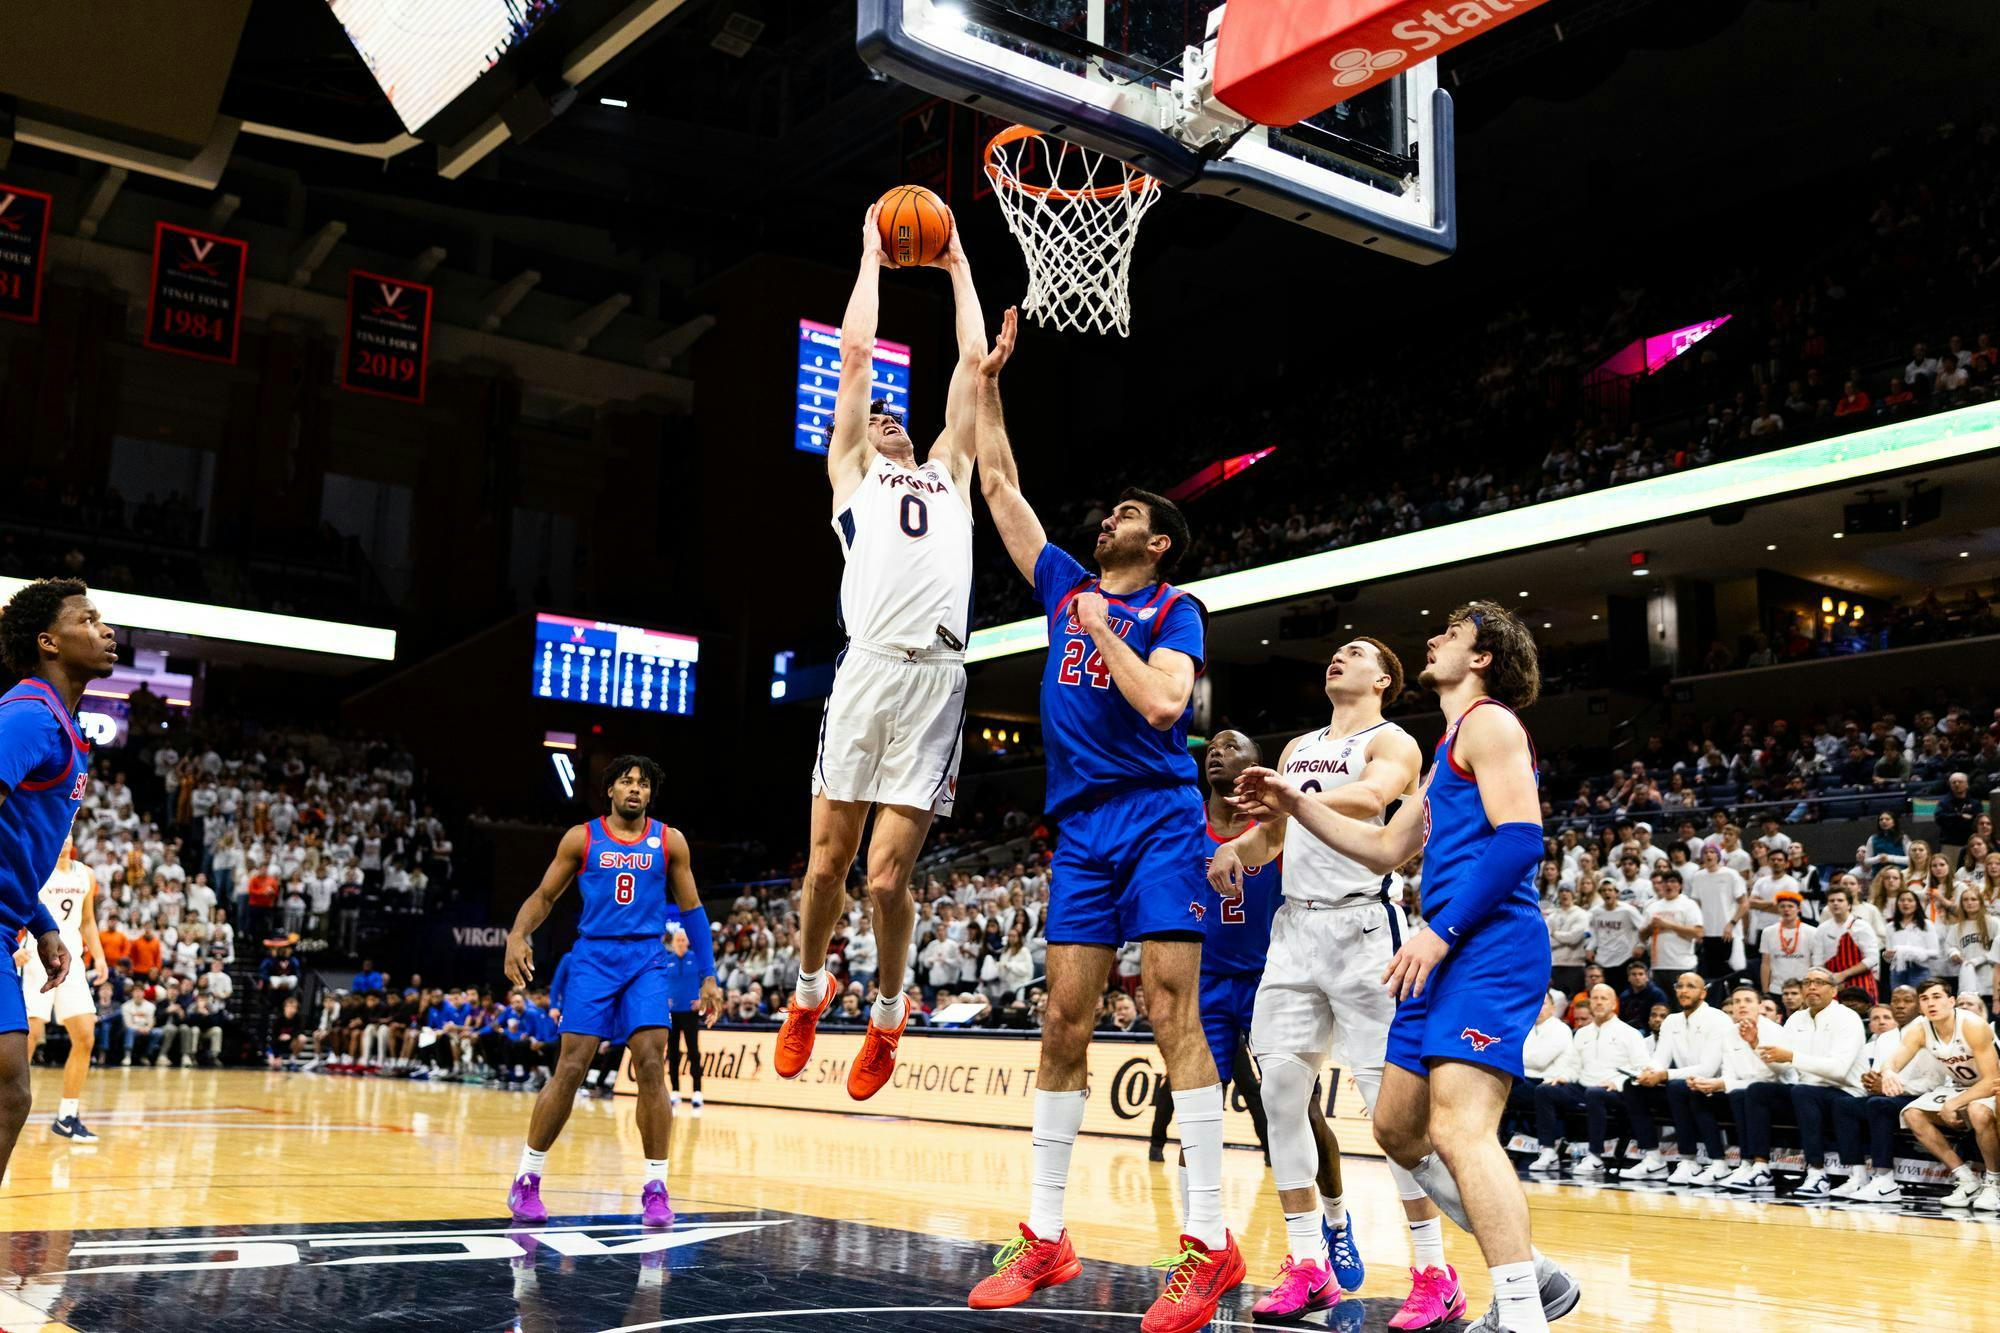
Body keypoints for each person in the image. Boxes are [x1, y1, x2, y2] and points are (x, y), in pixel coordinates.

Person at [965, 308, 1242, 1333]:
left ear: (1155, 540)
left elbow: (1166, 707)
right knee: (1059, 1022)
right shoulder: (1062, 585)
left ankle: (1207, 1243)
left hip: (1160, 814)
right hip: (1078, 827)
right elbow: (1000, 486)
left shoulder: (1171, 610)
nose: (1104, 521)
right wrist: (985, 381)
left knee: (1172, 1011)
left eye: (1124, 514)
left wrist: (1095, 627)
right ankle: (1045, 1234)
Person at [1235, 602, 1580, 1332]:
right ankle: (1537, 1273)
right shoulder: (1449, 743)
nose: (1433, 637)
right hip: (1441, 948)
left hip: (1483, 943)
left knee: (1460, 1130)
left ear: (1482, 656)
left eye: (1451, 633)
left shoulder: (1490, 722)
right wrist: (1293, 801)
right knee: (1396, 1128)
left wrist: (1441, 931)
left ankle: (1520, 1312)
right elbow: (1387, 848)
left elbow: (1521, 841)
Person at [779, 205, 988, 1103]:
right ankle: (808, 990)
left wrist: (956, 265)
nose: (893, 420)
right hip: (865, 668)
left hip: (937, 678)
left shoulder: (950, 472)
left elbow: (974, 368)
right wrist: (869, 253)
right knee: (827, 867)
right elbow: (858, 358)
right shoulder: (853, 473)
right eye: (880, 418)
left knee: (886, 877)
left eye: (904, 418)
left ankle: (890, 1013)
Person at [1210, 642, 1447, 1325]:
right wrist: (1238, 848)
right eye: (1336, 652)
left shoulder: (1392, 740)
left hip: (1363, 934)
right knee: (1281, 1098)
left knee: (1392, 1115)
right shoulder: (1297, 747)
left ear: (1383, 679)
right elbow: (1276, 836)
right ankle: (1307, 1263)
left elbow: (1375, 798)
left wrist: (1289, 794)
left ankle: (1434, 1270)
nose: (1338, 657)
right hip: (1292, 935)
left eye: (1356, 653)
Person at [502, 756, 722, 1228]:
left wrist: (708, 974)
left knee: (650, 1062)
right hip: (594, 959)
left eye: (643, 783)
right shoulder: (581, 838)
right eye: (626, 782)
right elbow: (544, 897)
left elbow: (694, 911)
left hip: (646, 959)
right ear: (610, 791)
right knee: (572, 1067)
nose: (635, 790)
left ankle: (656, 1188)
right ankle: (527, 1179)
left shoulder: (670, 841)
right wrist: (518, 934)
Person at [0, 578, 116, 1178]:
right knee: (10, 1093)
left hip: (10, 927)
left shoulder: (60, 724)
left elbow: (12, 848)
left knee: (11, 1093)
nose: (106, 629)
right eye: (89, 619)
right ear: (49, 641)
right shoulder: (27, 716)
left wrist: (42, 924)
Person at [1149, 732, 1274, 1179]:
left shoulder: (1277, 826)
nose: (1216, 752)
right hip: (1206, 985)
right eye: (1212, 748)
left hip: (1270, 980)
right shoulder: (1184, 827)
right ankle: (1196, 1232)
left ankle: (1328, 1223)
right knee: (1198, 1117)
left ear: (1256, 764)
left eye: (1231, 746)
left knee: (1299, 1106)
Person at [1723, 969, 1865, 1194]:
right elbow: (1784, 1067)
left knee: (1802, 1091)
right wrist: (1755, 1044)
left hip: (1845, 1091)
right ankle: (1760, 1167)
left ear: (1834, 990)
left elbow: (1839, 1069)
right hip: (1806, 1093)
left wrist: (1792, 1057)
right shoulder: (1796, 1019)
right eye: (1807, 982)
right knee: (1757, 1091)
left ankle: (1817, 1173)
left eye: (1818, 982)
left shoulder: (1848, 1018)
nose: (1811, 987)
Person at [15, 835, 105, 1140]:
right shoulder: (38, 868)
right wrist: (15, 948)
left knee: (85, 1036)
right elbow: (15, 907)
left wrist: (101, 958)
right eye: (61, 837)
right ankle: (7, 1106)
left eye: (69, 837)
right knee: (29, 1036)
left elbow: (88, 921)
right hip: (37, 957)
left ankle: (67, 1116)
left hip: (74, 962)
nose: (65, 841)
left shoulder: (86, 875)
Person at [1887, 976, 2000, 1210]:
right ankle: (1967, 1180)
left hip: (1992, 1085)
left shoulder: (1972, 1025)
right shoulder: (1920, 1029)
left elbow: (1990, 1080)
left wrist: (1953, 1104)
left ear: (1951, 1001)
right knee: (1912, 1114)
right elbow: (1895, 1059)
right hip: (1961, 1086)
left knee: (1977, 1111)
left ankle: (1994, 1184)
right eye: (1925, 999)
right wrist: (1889, 1072)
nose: (1931, 1003)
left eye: (1937, 997)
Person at [1617, 971, 1733, 1181]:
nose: (1683, 991)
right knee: (1632, 1086)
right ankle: (1653, 1159)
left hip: (1716, 1088)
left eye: (1690, 986)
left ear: (1703, 993)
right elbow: (1660, 1057)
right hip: (1682, 1087)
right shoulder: (1671, 1020)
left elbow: (1708, 1069)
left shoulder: (1718, 1019)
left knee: (1677, 1087)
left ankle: (1708, 1162)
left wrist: (1663, 1075)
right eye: (1679, 986)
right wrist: (1649, 1071)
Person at [1526, 984, 1647, 1176]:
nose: (1598, 1002)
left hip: (1616, 1090)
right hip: (1584, 1086)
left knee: (1594, 1094)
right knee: (1544, 1089)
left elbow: (1641, 1067)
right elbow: (1574, 1066)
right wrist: (1562, 1077)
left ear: (1614, 1003)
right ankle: (1548, 1151)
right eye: (1595, 998)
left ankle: (1595, 1156)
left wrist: (1617, 1081)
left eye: (1603, 998)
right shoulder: (1582, 1033)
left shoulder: (1629, 1033)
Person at [1681, 844, 1746, 980]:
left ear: (1718, 855)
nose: (1709, 855)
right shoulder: (1698, 876)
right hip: (1708, 933)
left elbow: (1744, 903)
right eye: (1705, 852)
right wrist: (1697, 929)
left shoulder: (1730, 874)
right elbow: (1697, 904)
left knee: (1731, 972)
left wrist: (1731, 923)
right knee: (1712, 973)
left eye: (1712, 852)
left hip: (1728, 932)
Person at [1808, 886, 1880, 1002]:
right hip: (1832, 984)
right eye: (1832, 901)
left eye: (1840, 900)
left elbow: (1872, 959)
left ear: (1849, 905)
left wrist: (1843, 975)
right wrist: (1830, 980)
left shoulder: (1862, 926)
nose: (1835, 903)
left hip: (1861, 983)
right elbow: (1818, 960)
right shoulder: (1822, 929)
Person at [663, 926, 707, 1109]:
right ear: (673, 943)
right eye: (677, 940)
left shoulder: (696, 959)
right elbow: (659, 983)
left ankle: (697, 1092)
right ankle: (675, 1091)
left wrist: (701, 1000)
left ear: (687, 942)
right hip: (672, 1013)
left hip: (690, 1012)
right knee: (672, 1052)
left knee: (693, 1052)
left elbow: (708, 981)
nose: (680, 943)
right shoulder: (667, 961)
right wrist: (664, 999)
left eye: (683, 940)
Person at [1641, 872, 1704, 978]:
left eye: (1673, 881)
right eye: (1665, 882)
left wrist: (1669, 925)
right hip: (1658, 966)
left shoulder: (1689, 904)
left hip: (1682, 965)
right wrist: (1650, 927)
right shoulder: (1652, 907)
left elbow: (1698, 933)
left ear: (1680, 885)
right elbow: (1642, 937)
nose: (1668, 885)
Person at [1759, 888, 1815, 997]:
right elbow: (1765, 964)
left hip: (1803, 988)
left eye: (1790, 906)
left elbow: (1815, 963)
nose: (1786, 910)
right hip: (1776, 988)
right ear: (1778, 909)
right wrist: (1765, 991)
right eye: (1782, 906)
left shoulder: (1811, 931)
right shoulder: (1768, 932)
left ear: (1798, 909)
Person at [1545, 886, 1590, 999]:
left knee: (1574, 999)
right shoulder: (1552, 916)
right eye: (1561, 891)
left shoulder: (1581, 914)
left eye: (1568, 891)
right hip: (1555, 964)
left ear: (1573, 894)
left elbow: (1574, 939)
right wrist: (1565, 937)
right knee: (1556, 1000)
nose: (1564, 894)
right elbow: (1546, 940)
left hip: (1575, 964)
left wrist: (1554, 933)